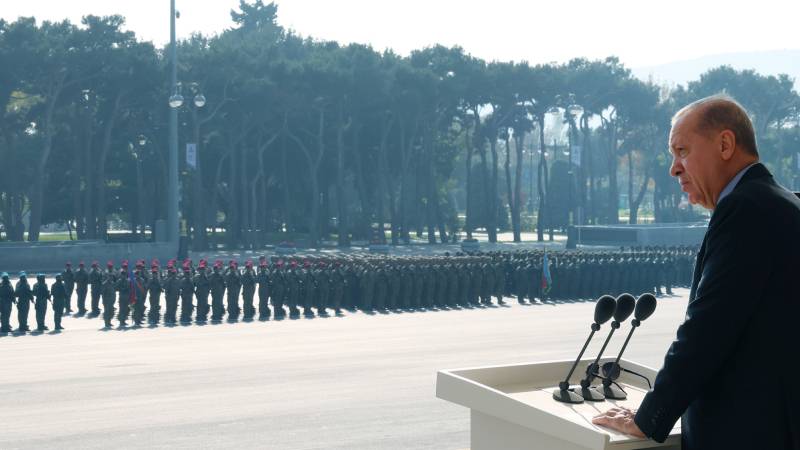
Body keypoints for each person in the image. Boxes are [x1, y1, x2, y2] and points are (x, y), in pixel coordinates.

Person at [592, 95, 800, 449]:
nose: (674, 169)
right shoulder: (783, 202)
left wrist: (648, 416)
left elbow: (709, 328)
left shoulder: (745, 209)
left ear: (725, 145)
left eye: (682, 151)